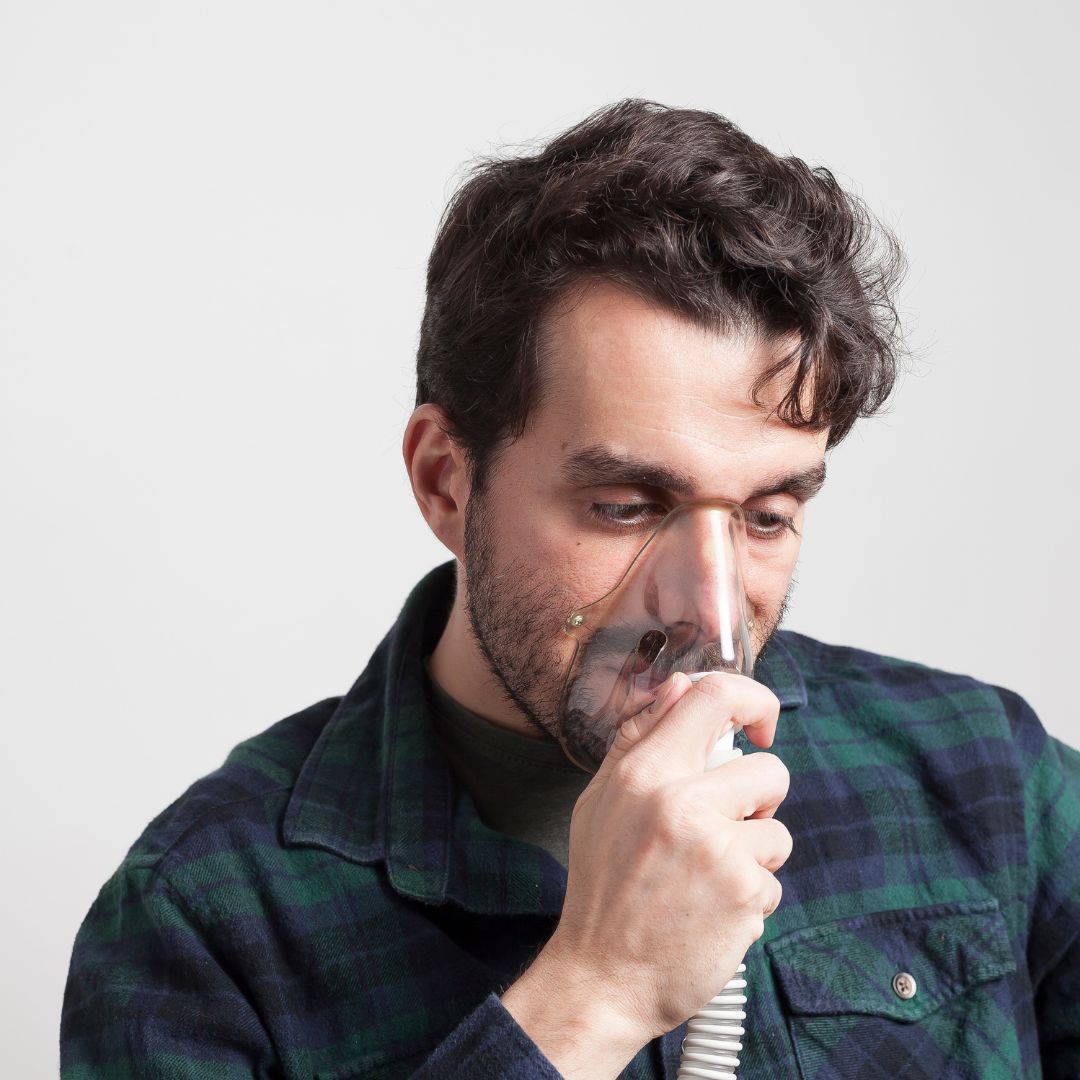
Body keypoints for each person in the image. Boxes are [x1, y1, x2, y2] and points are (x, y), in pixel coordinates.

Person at [61, 100, 1080, 1079]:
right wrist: (598, 992)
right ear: (445, 480)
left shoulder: (987, 779)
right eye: (627, 506)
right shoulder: (204, 922)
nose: (707, 609)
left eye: (766, 514)